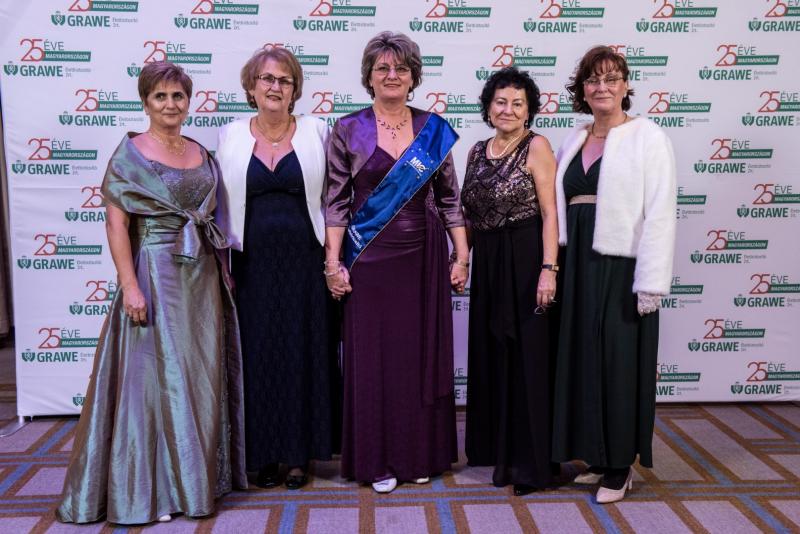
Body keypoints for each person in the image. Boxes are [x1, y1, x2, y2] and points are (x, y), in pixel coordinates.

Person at [56, 61, 246, 525]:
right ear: (145, 102)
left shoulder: (201, 151)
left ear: (189, 102)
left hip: (202, 278)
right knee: (154, 384)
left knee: (198, 378)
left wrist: (223, 270)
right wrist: (130, 286)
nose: (170, 104)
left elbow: (215, 217)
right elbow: (116, 224)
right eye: (160, 96)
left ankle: (196, 480)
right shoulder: (131, 155)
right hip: (156, 274)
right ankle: (151, 492)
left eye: (178, 96)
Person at [324, 31, 469, 494]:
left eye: (401, 69)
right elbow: (336, 204)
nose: (392, 75)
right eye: (382, 68)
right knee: (373, 360)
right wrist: (333, 262)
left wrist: (462, 254)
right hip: (367, 261)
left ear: (413, 77)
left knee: (416, 357)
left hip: (423, 258)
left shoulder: (432, 128)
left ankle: (417, 454)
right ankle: (377, 460)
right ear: (369, 76)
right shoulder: (348, 129)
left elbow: (450, 199)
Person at [551, 45, 676, 504]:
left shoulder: (648, 136)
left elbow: (660, 212)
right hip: (577, 264)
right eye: (593, 79)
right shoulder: (574, 139)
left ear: (625, 85)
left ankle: (621, 465)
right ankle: (598, 456)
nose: (601, 87)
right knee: (584, 358)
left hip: (622, 266)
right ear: (582, 90)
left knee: (619, 364)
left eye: (611, 78)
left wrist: (651, 282)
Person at [215, 47, 336, 490]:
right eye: (267, 79)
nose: (275, 87)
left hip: (307, 263)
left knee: (304, 351)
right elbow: (219, 206)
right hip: (252, 265)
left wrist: (333, 258)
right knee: (259, 353)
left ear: (295, 90)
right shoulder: (230, 135)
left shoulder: (317, 131)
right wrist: (223, 263)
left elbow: (334, 200)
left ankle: (299, 455)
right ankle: (265, 454)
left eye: (285, 80)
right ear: (251, 87)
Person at [461, 67, 558, 496]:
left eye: (518, 103)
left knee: (527, 361)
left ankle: (531, 465)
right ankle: (496, 450)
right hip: (488, 262)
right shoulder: (476, 151)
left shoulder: (537, 146)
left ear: (529, 110)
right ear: (488, 108)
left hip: (526, 260)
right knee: (494, 354)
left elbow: (551, 214)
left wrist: (549, 268)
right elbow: (467, 214)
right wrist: (461, 258)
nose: (508, 109)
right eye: (501, 102)